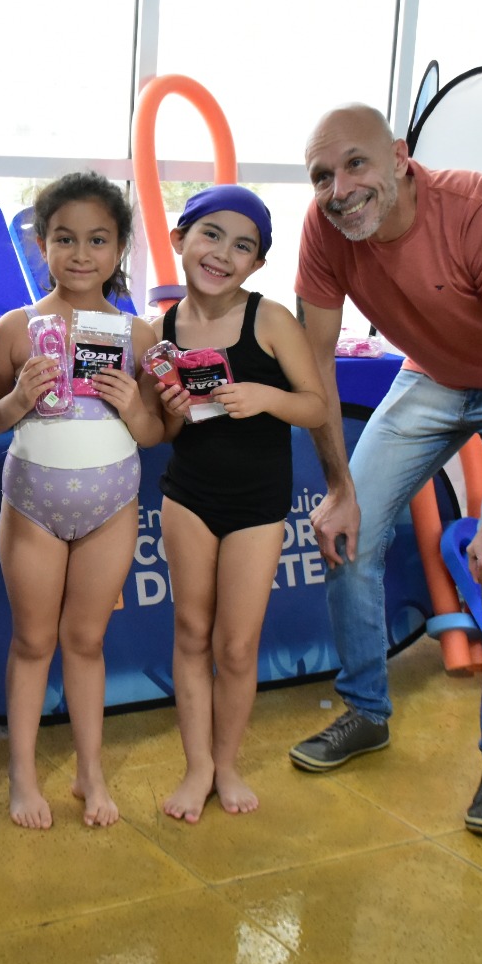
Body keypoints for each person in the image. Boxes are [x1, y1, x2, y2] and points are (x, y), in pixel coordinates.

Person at [289, 103, 482, 838]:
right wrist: (340, 490)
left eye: (356, 164)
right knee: (349, 536)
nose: (339, 189)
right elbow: (316, 365)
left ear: (400, 158)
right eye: (322, 175)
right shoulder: (324, 227)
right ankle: (365, 710)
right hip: (432, 375)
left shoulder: (481, 210)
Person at [0, 173, 164, 830]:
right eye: (65, 239)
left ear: (119, 248)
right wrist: (18, 398)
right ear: (42, 244)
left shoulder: (137, 335)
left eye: (97, 240)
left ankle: (91, 771)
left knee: (86, 640)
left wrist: (132, 405)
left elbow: (154, 433)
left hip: (110, 508)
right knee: (33, 641)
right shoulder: (16, 329)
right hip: (32, 506)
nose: (81, 254)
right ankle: (23, 775)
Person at [153, 186, 328, 824]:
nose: (223, 254)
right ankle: (197, 765)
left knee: (235, 645)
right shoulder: (162, 331)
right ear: (180, 239)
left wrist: (266, 397)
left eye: (242, 245)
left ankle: (226, 764)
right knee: (191, 633)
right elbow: (165, 431)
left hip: (257, 504)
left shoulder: (271, 319)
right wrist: (172, 412)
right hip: (188, 497)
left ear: (257, 263)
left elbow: (316, 406)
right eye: (211, 235)